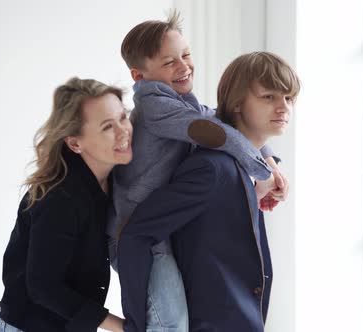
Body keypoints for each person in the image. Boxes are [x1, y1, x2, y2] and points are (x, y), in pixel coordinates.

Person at [109, 11, 288, 332]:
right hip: (135, 232)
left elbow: (223, 120)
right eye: (169, 63)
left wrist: (270, 160)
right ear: (139, 76)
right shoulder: (154, 107)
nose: (183, 66)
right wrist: (260, 171)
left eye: (187, 55)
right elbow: (214, 130)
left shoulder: (182, 103)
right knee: (170, 323)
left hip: (156, 230)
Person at [0, 77, 131, 332]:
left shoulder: (113, 180)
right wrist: (122, 327)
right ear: (75, 143)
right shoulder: (59, 198)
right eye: (108, 127)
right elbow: (44, 287)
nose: (124, 131)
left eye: (123, 118)